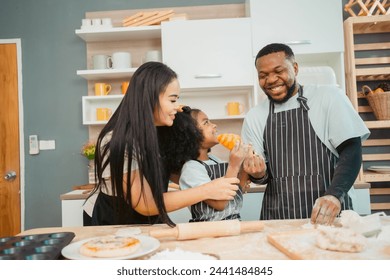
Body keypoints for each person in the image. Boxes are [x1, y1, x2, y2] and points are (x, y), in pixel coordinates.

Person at [84, 62, 240, 226]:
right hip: (113, 222)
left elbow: (179, 174)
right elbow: (146, 204)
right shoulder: (117, 141)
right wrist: (207, 190)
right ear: (150, 98)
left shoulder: (160, 132)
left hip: (149, 221)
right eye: (172, 100)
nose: (175, 107)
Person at [241, 43, 370, 225]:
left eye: (279, 71)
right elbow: (262, 177)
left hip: (331, 214)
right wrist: (258, 172)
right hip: (279, 219)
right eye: (263, 76)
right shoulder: (255, 116)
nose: (270, 80)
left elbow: (352, 150)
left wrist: (334, 195)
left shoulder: (328, 97)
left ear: (295, 68)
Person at [159, 107, 251, 222]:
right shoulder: (191, 168)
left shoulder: (214, 160)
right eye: (206, 122)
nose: (214, 125)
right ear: (190, 134)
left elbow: (237, 191)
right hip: (209, 228)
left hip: (232, 223)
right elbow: (220, 204)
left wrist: (246, 166)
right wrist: (233, 166)